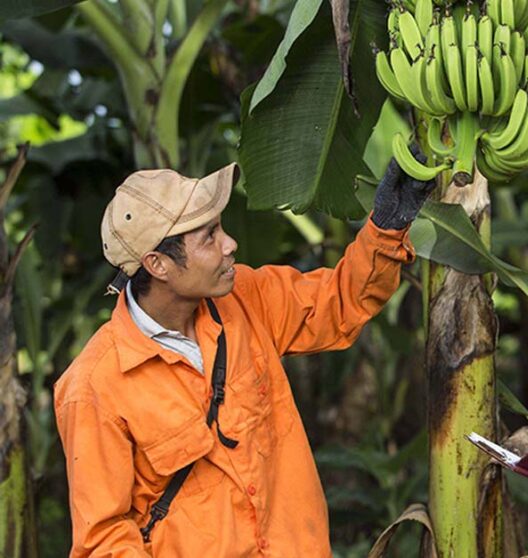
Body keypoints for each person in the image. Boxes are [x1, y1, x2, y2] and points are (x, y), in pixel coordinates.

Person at [53, 156, 435, 556]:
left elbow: (339, 302)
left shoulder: (246, 298)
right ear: (158, 264)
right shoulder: (94, 384)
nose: (230, 243)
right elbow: (104, 540)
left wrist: (388, 225)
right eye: (208, 236)